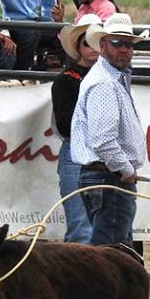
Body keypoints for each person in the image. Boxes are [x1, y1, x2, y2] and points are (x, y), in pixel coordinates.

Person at [70, 13, 149, 246]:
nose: (124, 49)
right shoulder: (105, 82)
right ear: (103, 45)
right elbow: (104, 141)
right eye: (117, 43)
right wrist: (125, 168)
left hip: (107, 176)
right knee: (109, 254)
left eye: (128, 44)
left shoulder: (109, 78)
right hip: (109, 177)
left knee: (115, 250)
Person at [50, 14, 101, 244]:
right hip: (81, 150)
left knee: (93, 222)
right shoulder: (65, 81)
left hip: (94, 150)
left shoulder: (70, 80)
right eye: (88, 42)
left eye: (98, 42)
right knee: (82, 224)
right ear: (79, 46)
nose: (94, 48)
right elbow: (65, 124)